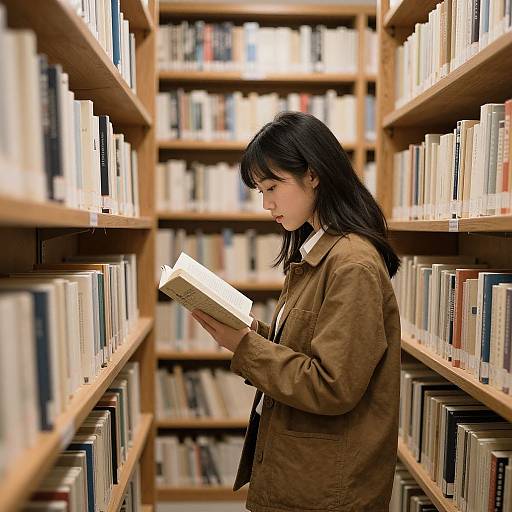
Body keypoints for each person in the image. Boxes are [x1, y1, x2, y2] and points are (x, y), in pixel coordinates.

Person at [191, 111, 401, 512]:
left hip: (326, 487)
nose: (267, 204)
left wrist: (245, 347)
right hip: (305, 473)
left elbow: (332, 384)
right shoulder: (321, 251)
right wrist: (249, 331)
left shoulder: (351, 262)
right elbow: (310, 348)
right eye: (260, 191)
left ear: (313, 175)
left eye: (273, 186)